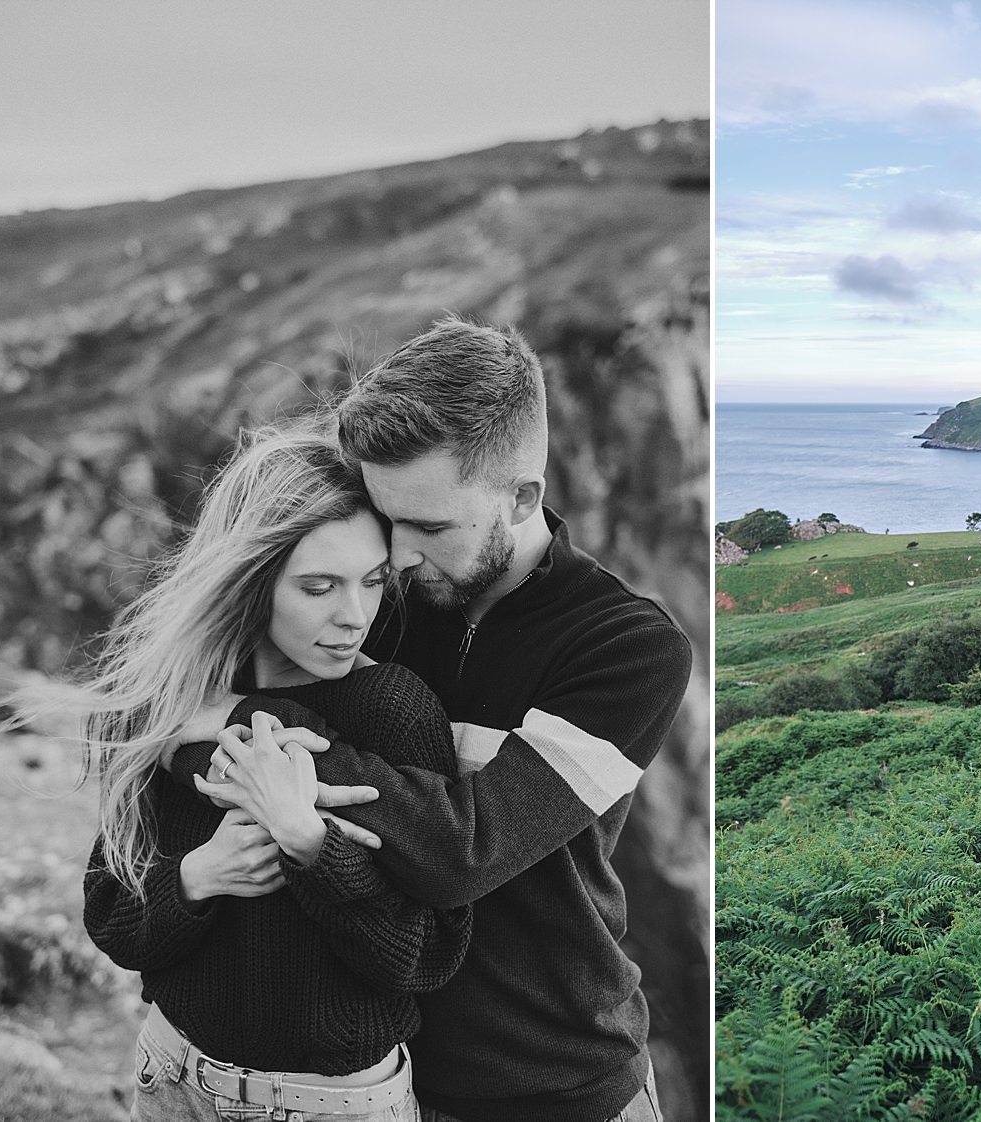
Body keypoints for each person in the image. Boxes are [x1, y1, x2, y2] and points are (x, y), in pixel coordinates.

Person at [172, 317, 694, 1122]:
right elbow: (189, 718)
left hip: (560, 1084)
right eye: (389, 523)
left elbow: (465, 849)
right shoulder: (378, 599)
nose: (401, 560)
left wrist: (239, 721)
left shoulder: (630, 648)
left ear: (523, 495)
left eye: (430, 527)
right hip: (387, 1081)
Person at [77, 427, 471, 1121]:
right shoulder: (177, 704)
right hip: (172, 1079)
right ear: (252, 583)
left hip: (335, 1105)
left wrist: (313, 849)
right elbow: (113, 918)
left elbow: (430, 958)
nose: (354, 618)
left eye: (374, 582)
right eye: (319, 587)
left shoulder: (392, 710)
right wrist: (199, 877)